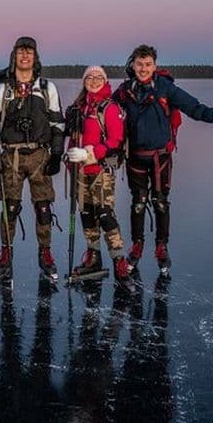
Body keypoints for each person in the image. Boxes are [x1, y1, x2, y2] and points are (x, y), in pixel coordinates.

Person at [113, 44, 213, 277]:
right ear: (132, 64)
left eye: (148, 64)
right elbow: (106, 112)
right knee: (138, 202)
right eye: (139, 64)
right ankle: (137, 245)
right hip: (135, 157)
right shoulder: (124, 91)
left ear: (155, 66)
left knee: (160, 202)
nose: (143, 68)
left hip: (160, 157)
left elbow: (195, 108)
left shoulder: (165, 88)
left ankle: (162, 247)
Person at [0, 36, 65, 283]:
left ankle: (45, 252)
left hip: (40, 154)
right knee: (9, 207)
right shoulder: (1, 89)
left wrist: (57, 153)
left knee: (43, 207)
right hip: (11, 156)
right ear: (14, 56)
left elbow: (57, 122)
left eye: (29, 52)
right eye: (21, 51)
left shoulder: (46, 87)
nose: (25, 56)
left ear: (35, 57)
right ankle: (6, 253)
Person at [65, 66, 135, 292]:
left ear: (104, 80)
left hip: (101, 171)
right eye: (89, 77)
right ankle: (93, 256)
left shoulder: (110, 107)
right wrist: (68, 156)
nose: (94, 80)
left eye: (98, 77)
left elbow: (115, 140)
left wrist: (89, 153)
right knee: (87, 214)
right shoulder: (79, 107)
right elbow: (71, 135)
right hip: (79, 172)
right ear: (84, 80)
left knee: (105, 215)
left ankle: (120, 263)